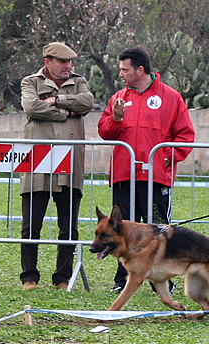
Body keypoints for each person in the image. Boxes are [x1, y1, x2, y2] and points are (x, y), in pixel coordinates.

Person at [98, 46, 195, 292]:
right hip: (124, 175)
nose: (120, 74)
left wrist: (165, 158)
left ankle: (162, 281)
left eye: (124, 69)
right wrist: (116, 119)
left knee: (159, 229)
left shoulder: (171, 97)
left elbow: (185, 135)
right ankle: (123, 281)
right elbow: (104, 132)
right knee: (121, 230)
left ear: (139, 70)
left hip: (156, 177)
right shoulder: (118, 98)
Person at [19, 42, 94, 291]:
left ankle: (63, 278)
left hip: (71, 163)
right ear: (48, 62)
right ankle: (29, 277)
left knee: (68, 225)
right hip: (37, 163)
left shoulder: (79, 81)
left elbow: (86, 103)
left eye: (70, 62)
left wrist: (57, 100)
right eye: (63, 62)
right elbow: (32, 106)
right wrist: (65, 113)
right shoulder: (31, 82)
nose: (68, 66)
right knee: (31, 224)